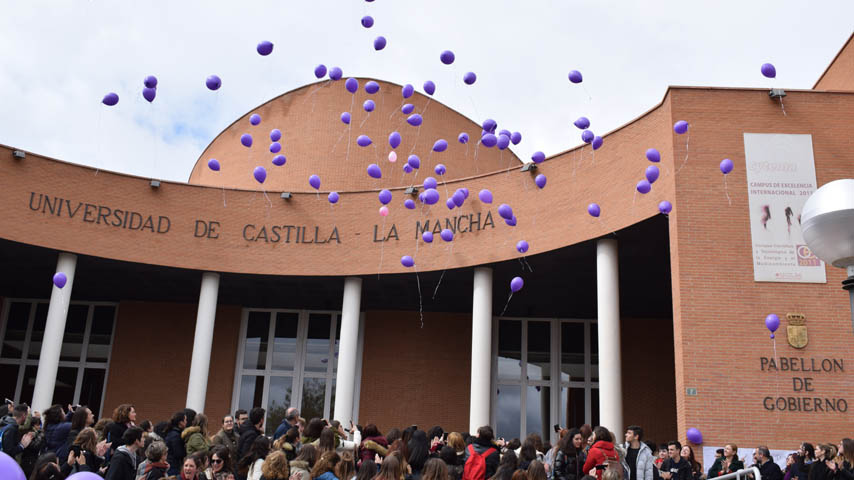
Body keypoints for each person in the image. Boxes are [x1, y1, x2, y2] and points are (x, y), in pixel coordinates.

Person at [166, 410, 188, 476]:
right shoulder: (176, 436)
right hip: (173, 466)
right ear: (181, 422)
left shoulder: (172, 433)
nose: (186, 422)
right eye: (185, 420)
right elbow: (178, 453)